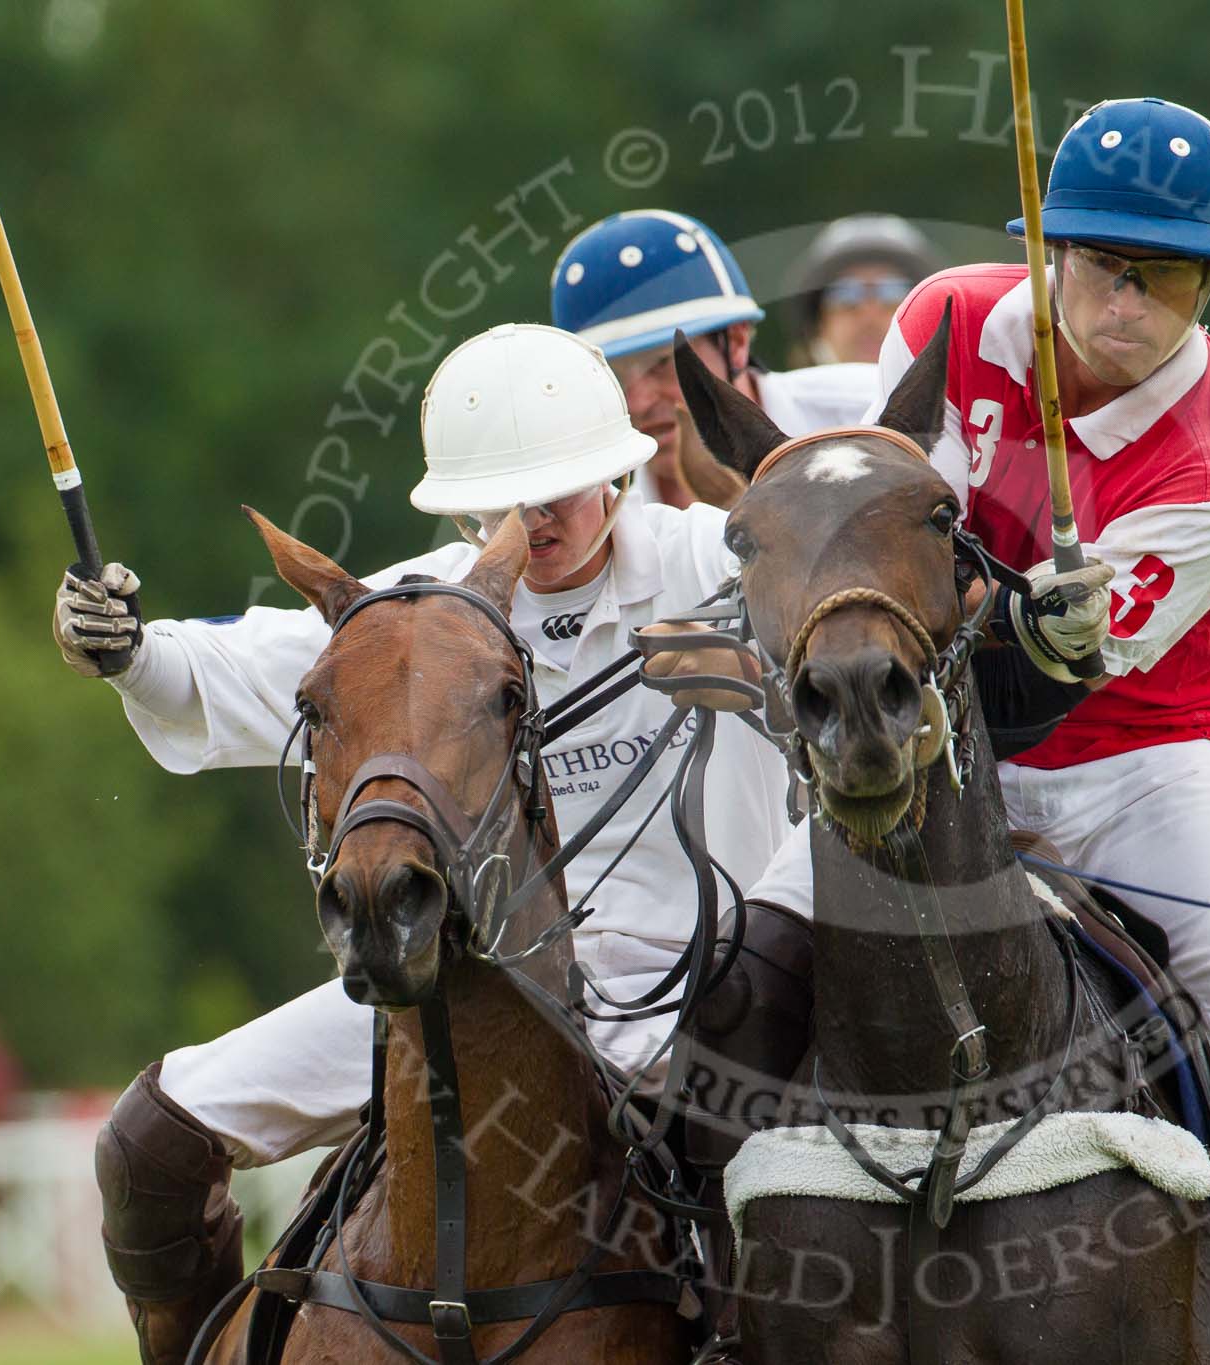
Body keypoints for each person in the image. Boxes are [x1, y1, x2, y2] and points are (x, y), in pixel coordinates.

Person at [741, 97, 1210, 1365]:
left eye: (1161, 279)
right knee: (730, 1005)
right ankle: (708, 1308)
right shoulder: (938, 320)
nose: (1122, 304)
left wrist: (1020, 630)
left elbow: (1043, 687)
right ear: (1052, 249)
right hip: (931, 749)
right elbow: (872, 520)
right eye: (1100, 263)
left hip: (1149, 764)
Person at [55, 324, 792, 1363]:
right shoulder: (422, 610)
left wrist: (766, 666)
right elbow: (248, 667)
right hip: (460, 995)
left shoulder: (710, 566)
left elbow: (852, 614)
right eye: (505, 499)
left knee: (791, 1204)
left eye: (561, 490)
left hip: (692, 996)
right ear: (459, 505)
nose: (534, 519)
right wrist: (127, 648)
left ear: (615, 473)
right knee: (150, 1142)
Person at [551, 210, 876, 509]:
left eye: (662, 364)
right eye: (611, 378)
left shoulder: (868, 410)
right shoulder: (608, 538)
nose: (638, 401)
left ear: (735, 341)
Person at [781, 213, 942, 365]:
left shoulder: (963, 395)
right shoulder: (772, 394)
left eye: (893, 293)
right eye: (845, 295)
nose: (869, 313)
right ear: (816, 326)